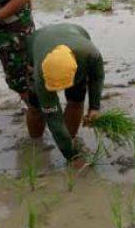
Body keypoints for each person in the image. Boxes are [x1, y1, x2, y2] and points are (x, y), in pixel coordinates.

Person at [26, 23, 104, 166]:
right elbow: (53, 118)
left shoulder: (91, 55)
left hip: (76, 33)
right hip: (37, 42)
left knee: (76, 99)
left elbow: (97, 78)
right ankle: (35, 143)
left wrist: (94, 108)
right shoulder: (40, 74)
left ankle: (71, 138)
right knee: (36, 105)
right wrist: (72, 157)